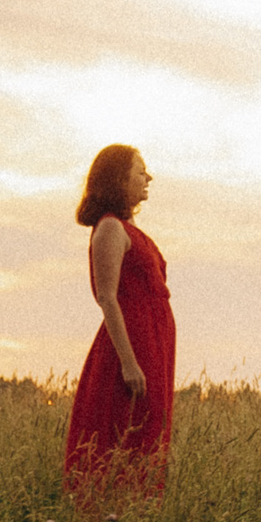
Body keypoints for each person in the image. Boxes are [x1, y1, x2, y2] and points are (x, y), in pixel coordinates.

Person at [62, 145, 175, 499]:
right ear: (119, 178)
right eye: (140, 171)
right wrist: (129, 362)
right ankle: (111, 515)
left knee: (149, 431)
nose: (148, 177)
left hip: (154, 343)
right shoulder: (110, 227)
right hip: (132, 345)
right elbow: (107, 297)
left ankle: (138, 515)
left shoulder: (127, 228)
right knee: (124, 429)